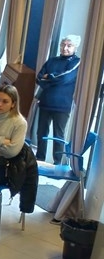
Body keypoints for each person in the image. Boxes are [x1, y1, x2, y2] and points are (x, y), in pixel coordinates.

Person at [35, 34, 81, 164]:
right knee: (41, 133)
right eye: (63, 45)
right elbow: (39, 78)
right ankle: (39, 159)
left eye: (69, 45)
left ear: (75, 48)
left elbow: (64, 78)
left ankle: (57, 163)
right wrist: (51, 79)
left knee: (58, 136)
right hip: (45, 102)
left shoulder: (76, 62)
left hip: (62, 105)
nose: (65, 48)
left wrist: (48, 77)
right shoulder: (52, 60)